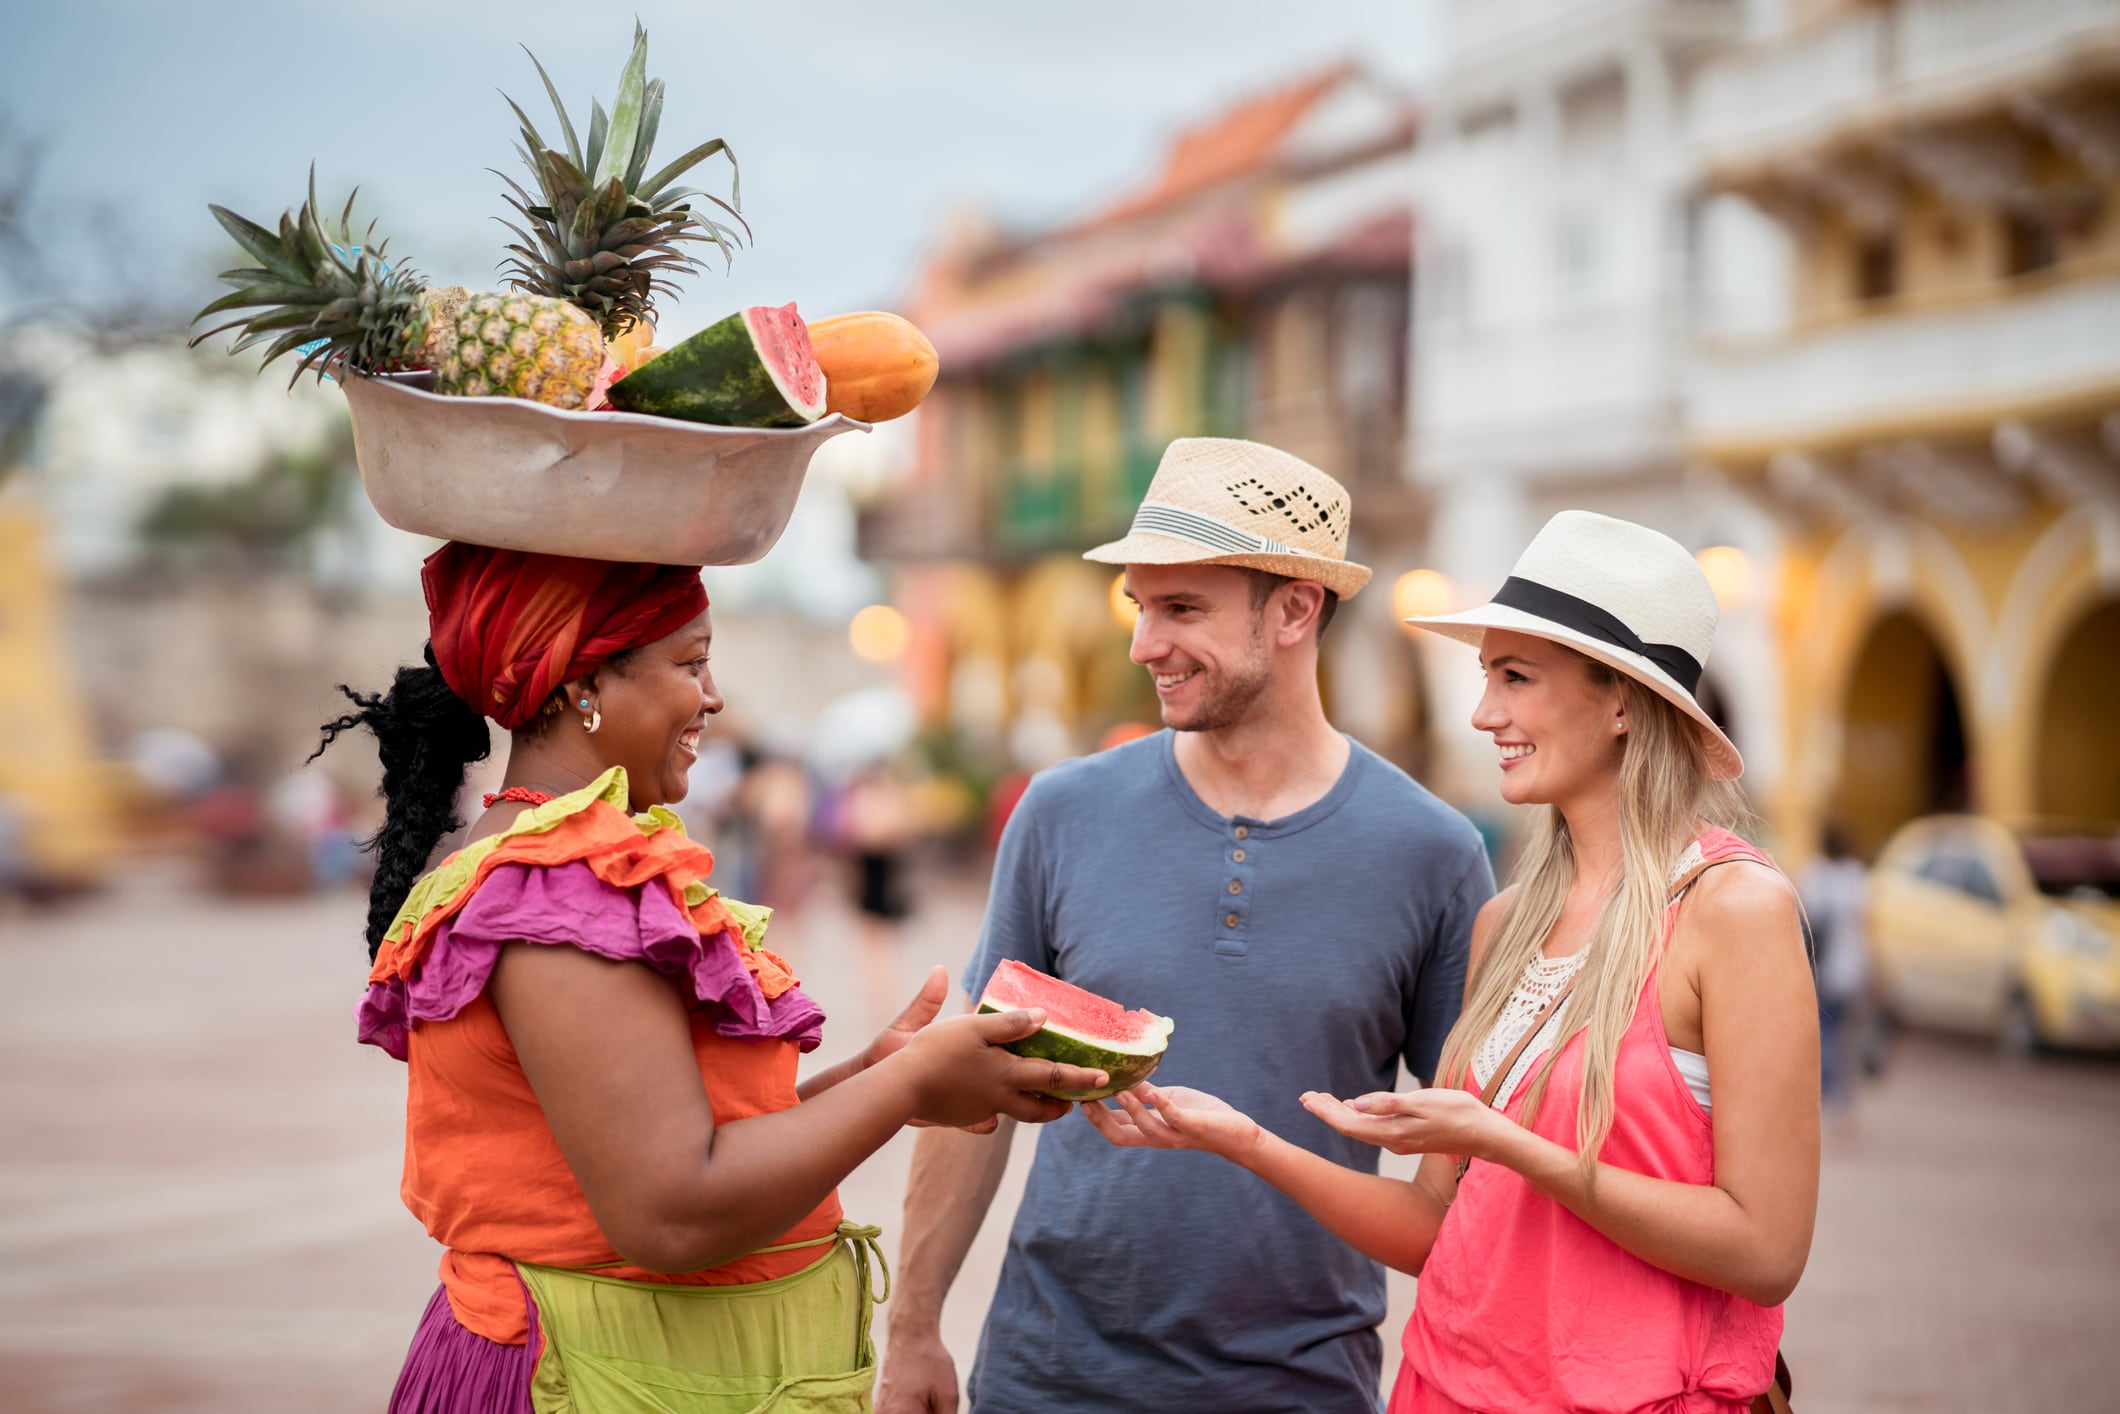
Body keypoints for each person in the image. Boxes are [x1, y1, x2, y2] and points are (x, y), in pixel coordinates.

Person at [315, 543, 1108, 1412]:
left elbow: (664, 1139)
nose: (714, 697)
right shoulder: (560, 885)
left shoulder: (546, 862)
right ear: (584, 686)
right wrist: (916, 1076)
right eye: (690, 664)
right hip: (587, 1377)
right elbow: (672, 1213)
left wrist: (871, 1085)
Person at [1086, 510, 1818, 1414]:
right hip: (1447, 1386)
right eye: (1486, 678)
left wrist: (1509, 1144)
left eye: (1516, 678)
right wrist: (1242, 1139)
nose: (1484, 713)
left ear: (1624, 699)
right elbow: (1438, 1228)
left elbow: (1767, 1251)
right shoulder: (1504, 922)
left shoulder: (1734, 909)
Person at [876, 439, 1494, 1414]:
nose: (1141, 644)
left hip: (1301, 1389)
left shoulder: (1433, 853)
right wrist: (911, 1327)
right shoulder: (1059, 811)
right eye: (1139, 606)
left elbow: (1464, 1160)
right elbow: (973, 1095)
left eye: (1182, 609)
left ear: (1293, 608)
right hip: (1048, 1377)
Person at [1799, 821, 1871, 1108]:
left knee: (1824, 1029)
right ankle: (1844, 1096)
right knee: (1845, 1034)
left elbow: (1803, 920)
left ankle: (1826, 1092)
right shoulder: (1856, 876)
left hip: (1823, 966)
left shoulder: (1815, 875)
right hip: (1853, 965)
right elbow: (1867, 923)